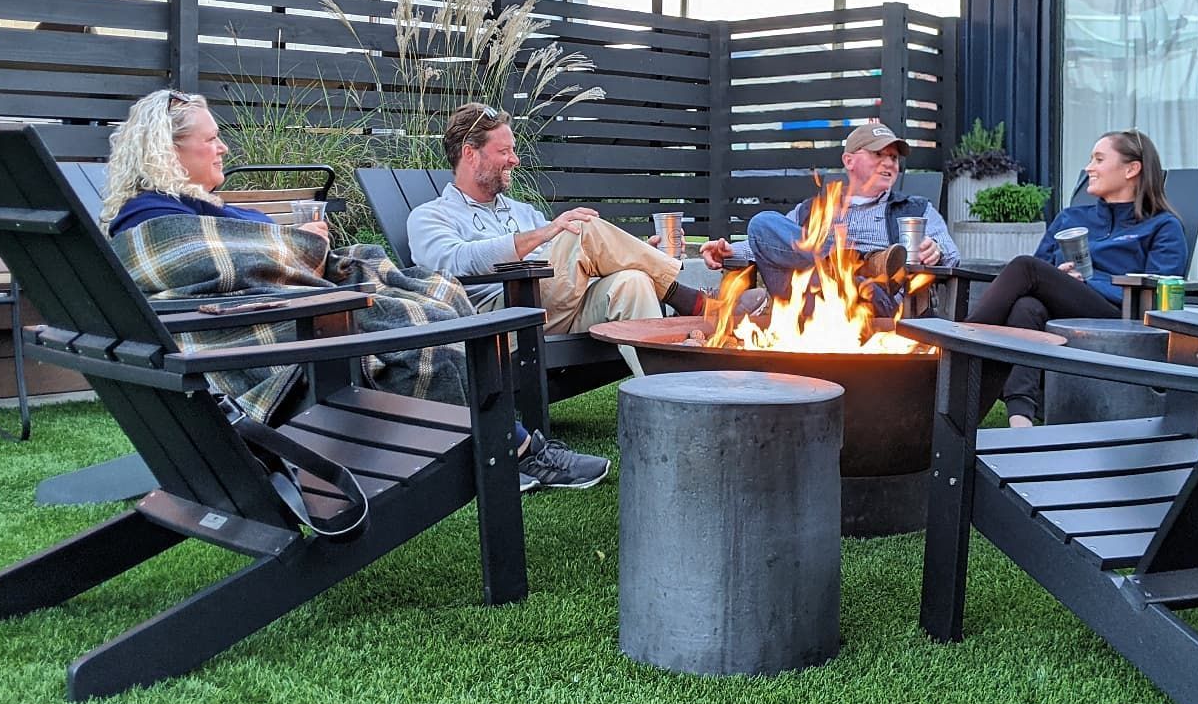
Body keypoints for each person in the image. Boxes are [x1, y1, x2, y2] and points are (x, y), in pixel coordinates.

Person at [101, 89, 609, 493]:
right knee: (422, 326)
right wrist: (303, 248)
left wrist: (303, 251)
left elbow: (257, 257)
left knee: (436, 301)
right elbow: (248, 261)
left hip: (300, 324)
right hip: (292, 361)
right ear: (168, 152)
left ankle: (516, 442)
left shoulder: (187, 213)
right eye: (211, 140)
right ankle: (513, 451)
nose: (224, 148)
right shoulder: (154, 225)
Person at [407, 101, 765, 345]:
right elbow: (454, 264)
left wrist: (631, 256)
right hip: (503, 320)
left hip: (553, 309)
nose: (514, 160)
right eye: (504, 152)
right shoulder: (429, 217)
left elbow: (569, 268)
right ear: (470, 154)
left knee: (633, 279)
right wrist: (544, 232)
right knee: (584, 228)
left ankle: (663, 390)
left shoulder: (519, 210)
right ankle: (698, 304)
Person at [964, 128, 1187, 428]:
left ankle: (960, 344)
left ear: (1132, 169)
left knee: (1024, 268)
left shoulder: (1162, 227)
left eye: (1098, 159)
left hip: (1118, 315)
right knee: (1026, 308)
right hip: (1060, 312)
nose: (1088, 168)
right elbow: (1039, 275)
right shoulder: (1071, 218)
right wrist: (1059, 279)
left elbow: (1161, 291)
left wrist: (1085, 283)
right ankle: (1018, 421)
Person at [700, 121, 959, 315]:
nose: (889, 163)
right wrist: (729, 250)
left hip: (869, 300)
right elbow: (771, 243)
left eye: (893, 157)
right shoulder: (814, 209)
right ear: (849, 160)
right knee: (762, 224)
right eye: (878, 154)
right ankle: (849, 260)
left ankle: (849, 266)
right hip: (809, 296)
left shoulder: (914, 209)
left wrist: (935, 250)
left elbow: (950, 252)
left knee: (853, 281)